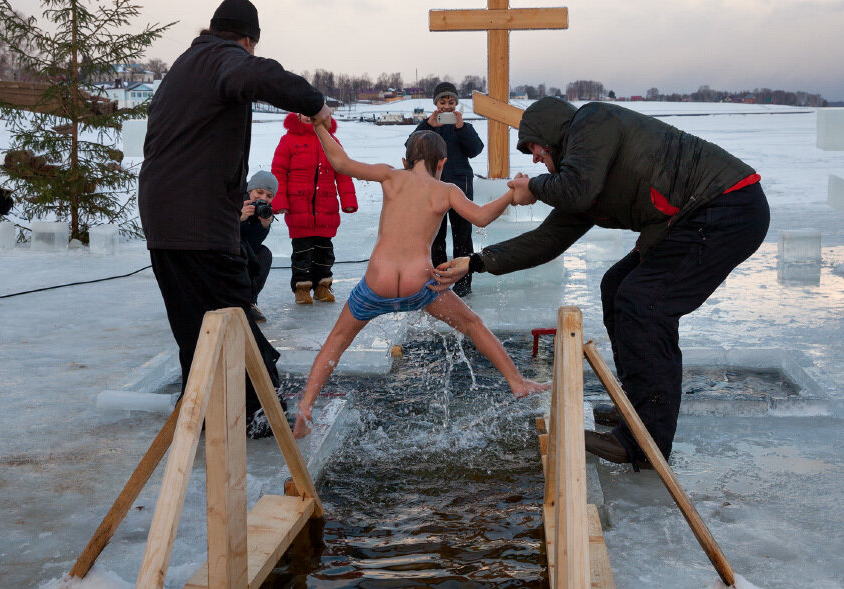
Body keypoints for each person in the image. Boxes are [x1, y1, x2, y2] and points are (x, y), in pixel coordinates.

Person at [432, 97, 769, 468]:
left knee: (644, 304)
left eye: (534, 149)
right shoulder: (586, 178)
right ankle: (637, 408)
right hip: (690, 219)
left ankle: (645, 442)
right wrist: (477, 262)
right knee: (617, 285)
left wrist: (535, 187)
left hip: (726, 207)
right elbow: (547, 241)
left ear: (552, 136)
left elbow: (575, 188)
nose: (533, 159)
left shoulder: (592, 121)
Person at [138, 0, 333, 435]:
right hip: (200, 223)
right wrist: (313, 102)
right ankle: (257, 413)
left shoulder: (185, 66)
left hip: (162, 219)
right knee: (233, 319)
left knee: (194, 326)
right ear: (248, 40)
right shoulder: (223, 59)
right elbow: (255, 74)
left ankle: (207, 411)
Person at [292, 129, 549, 438]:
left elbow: (340, 161)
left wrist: (321, 125)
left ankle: (306, 407)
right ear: (442, 162)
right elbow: (480, 218)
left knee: (336, 341)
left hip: (378, 281)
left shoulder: (390, 176)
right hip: (421, 285)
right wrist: (510, 193)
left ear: (405, 160)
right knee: (472, 324)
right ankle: (518, 383)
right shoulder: (446, 189)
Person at [271, 112, 357, 305]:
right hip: (298, 209)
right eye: (305, 114)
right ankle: (302, 289)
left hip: (326, 209)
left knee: (325, 252)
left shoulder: (331, 140)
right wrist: (280, 202)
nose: (309, 118)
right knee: (302, 253)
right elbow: (278, 172)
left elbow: (343, 172)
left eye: (314, 114)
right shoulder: (288, 140)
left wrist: (348, 200)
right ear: (298, 115)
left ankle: (322, 287)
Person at [409, 81, 483, 297]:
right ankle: (439, 282)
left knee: (463, 237)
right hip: (434, 188)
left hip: (461, 188)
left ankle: (463, 284)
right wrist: (428, 125)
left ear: (456, 104)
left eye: (451, 101)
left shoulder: (464, 127)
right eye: (443, 101)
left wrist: (461, 128)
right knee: (436, 237)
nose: (447, 106)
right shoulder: (428, 127)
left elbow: (476, 149)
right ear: (436, 103)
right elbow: (410, 146)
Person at [240, 170, 277, 323]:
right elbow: (218, 232)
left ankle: (248, 302)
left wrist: (264, 226)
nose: (263, 198)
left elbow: (255, 243)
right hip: (227, 250)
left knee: (264, 254)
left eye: (269, 196)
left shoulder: (264, 209)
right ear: (250, 190)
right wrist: (239, 218)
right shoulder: (235, 202)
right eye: (259, 192)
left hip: (247, 250)